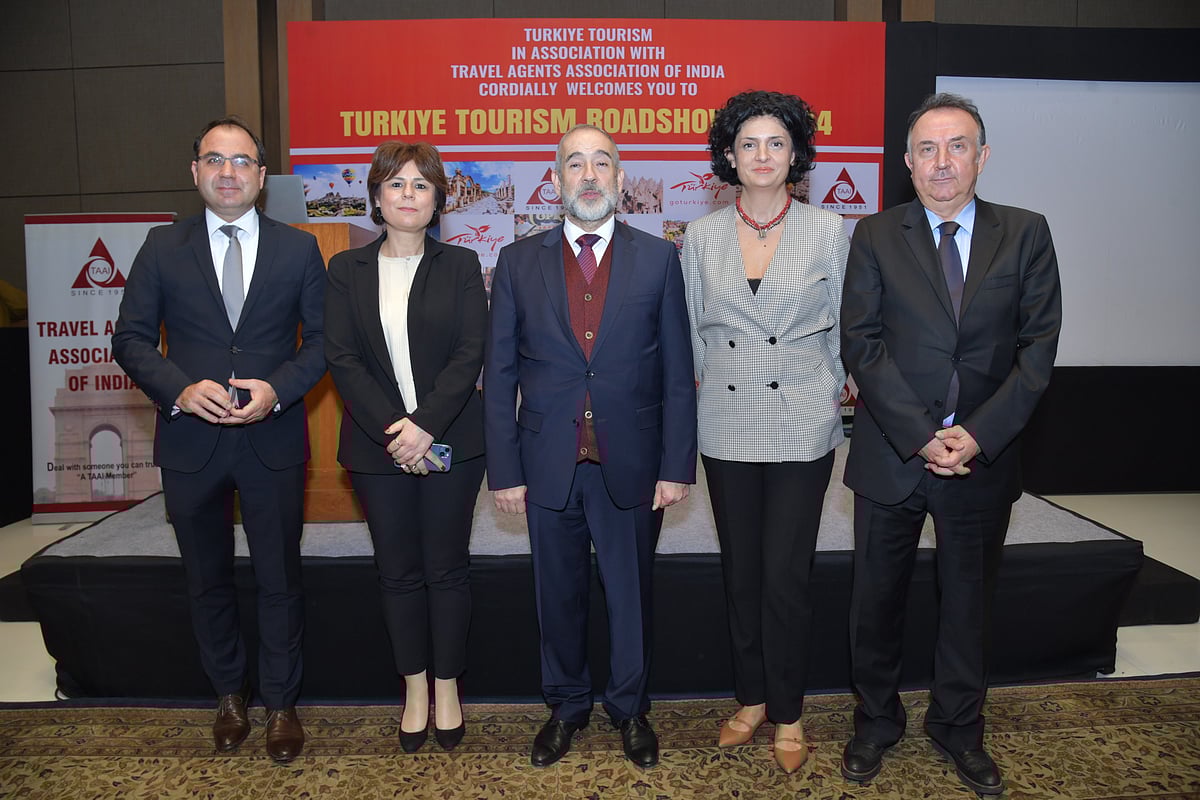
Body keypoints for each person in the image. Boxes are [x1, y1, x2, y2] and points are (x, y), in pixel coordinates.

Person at [839, 93, 1062, 795]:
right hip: (893, 453)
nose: (942, 162)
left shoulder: (1025, 233)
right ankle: (876, 722)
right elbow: (861, 343)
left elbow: (1038, 349)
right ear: (907, 164)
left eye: (957, 146)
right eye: (927, 150)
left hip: (983, 459)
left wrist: (978, 435)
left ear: (982, 156)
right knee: (876, 602)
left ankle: (958, 727)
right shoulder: (875, 235)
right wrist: (921, 436)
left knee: (968, 603)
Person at [112, 117, 327, 763]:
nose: (228, 172)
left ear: (262, 178)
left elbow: (320, 344)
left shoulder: (298, 249)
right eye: (215, 159)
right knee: (205, 578)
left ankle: (282, 704)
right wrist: (177, 389)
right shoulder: (161, 246)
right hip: (190, 442)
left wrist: (278, 390)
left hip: (272, 438)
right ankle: (229, 695)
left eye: (241, 162)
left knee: (279, 577)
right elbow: (130, 340)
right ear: (196, 172)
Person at [483, 124, 697, 769]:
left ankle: (630, 710)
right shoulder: (518, 261)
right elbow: (500, 375)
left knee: (630, 595)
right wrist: (504, 470)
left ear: (621, 178)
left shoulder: (659, 258)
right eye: (575, 164)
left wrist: (676, 465)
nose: (590, 175)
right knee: (558, 593)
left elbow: (677, 372)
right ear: (555, 180)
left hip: (631, 462)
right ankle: (567, 706)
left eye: (602, 163)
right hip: (547, 461)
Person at [681, 90, 848, 774]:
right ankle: (750, 697)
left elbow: (842, 328)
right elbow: (692, 332)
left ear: (795, 155)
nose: (761, 155)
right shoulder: (700, 236)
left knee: (787, 574)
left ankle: (788, 709)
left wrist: (837, 394)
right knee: (741, 571)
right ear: (728, 154)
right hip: (725, 419)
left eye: (775, 143)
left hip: (803, 421)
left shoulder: (828, 230)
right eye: (747, 143)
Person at [324, 141, 487, 753]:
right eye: (396, 184)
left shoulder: (463, 264)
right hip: (376, 449)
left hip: (453, 445)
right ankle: (414, 688)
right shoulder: (346, 270)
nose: (409, 195)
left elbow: (471, 353)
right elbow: (341, 359)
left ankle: (448, 687)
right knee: (396, 573)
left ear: (439, 198)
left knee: (446, 570)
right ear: (375, 197)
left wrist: (426, 427)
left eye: (422, 185)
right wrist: (398, 431)